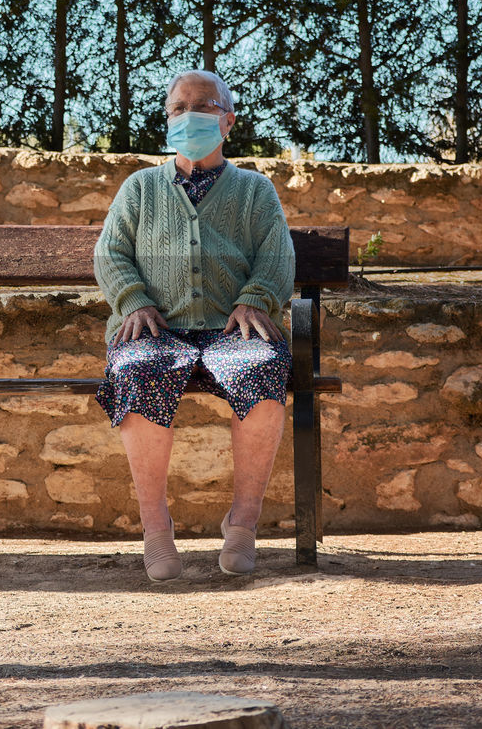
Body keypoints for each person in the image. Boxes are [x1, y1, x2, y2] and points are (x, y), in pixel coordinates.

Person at [93, 69, 295, 581]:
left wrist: (255, 299)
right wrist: (133, 300)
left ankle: (243, 522)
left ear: (227, 120)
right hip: (158, 331)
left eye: (203, 106)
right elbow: (110, 252)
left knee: (263, 367)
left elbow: (277, 254)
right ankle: (156, 527)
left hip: (231, 332)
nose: (189, 116)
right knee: (138, 370)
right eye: (179, 108)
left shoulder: (255, 191)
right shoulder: (139, 188)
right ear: (167, 120)